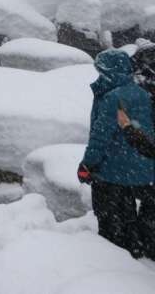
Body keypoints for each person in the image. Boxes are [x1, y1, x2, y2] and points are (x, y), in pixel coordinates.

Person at [77, 49, 154, 258]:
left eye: (101, 71)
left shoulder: (113, 97)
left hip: (113, 171)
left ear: (110, 72)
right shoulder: (143, 94)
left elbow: (100, 138)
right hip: (142, 170)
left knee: (111, 215)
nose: (99, 76)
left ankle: (114, 257)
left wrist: (87, 164)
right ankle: (138, 246)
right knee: (128, 213)